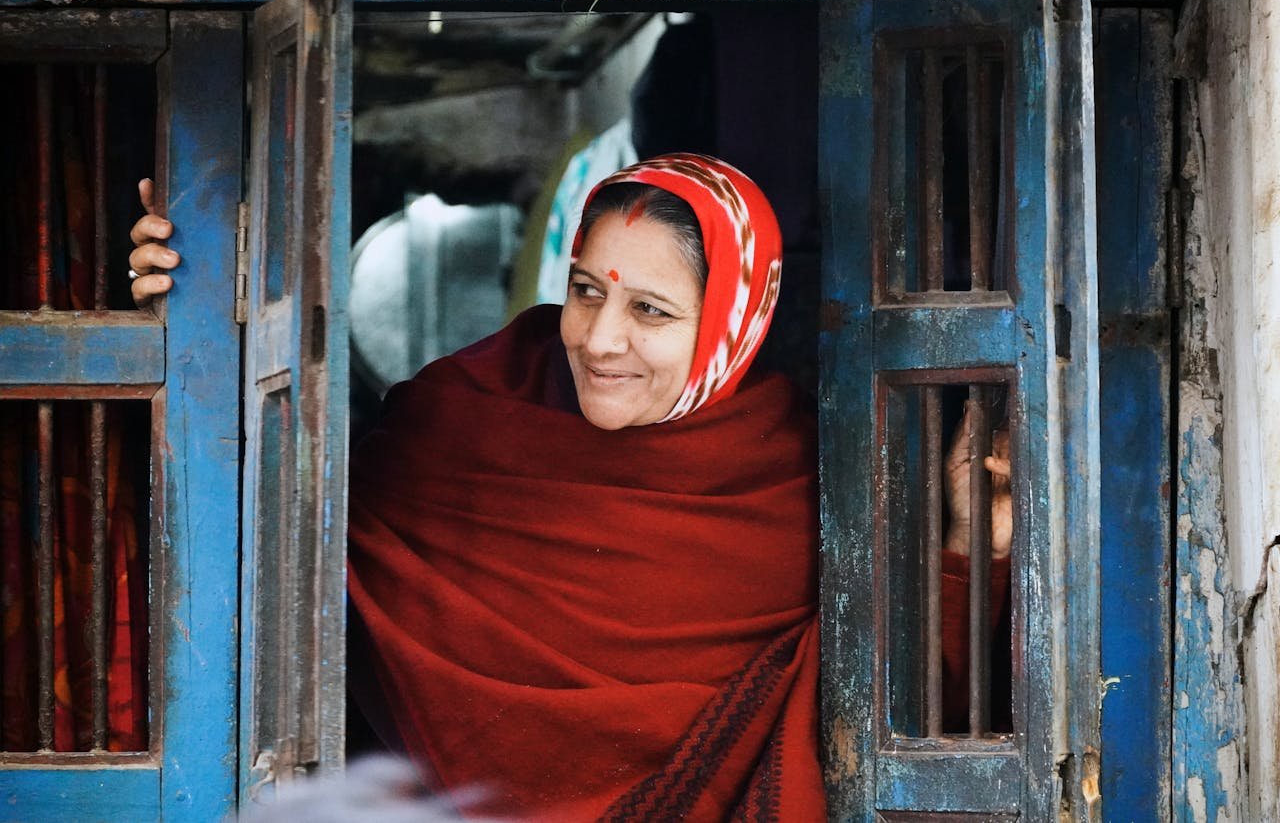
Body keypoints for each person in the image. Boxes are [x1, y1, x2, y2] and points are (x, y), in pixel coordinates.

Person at [129, 154, 1010, 821]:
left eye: (651, 311)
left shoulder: (811, 484)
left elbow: (897, 711)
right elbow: (261, 537)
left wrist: (967, 548)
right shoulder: (458, 422)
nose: (598, 340)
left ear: (738, 323)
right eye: (586, 292)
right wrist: (190, 309)